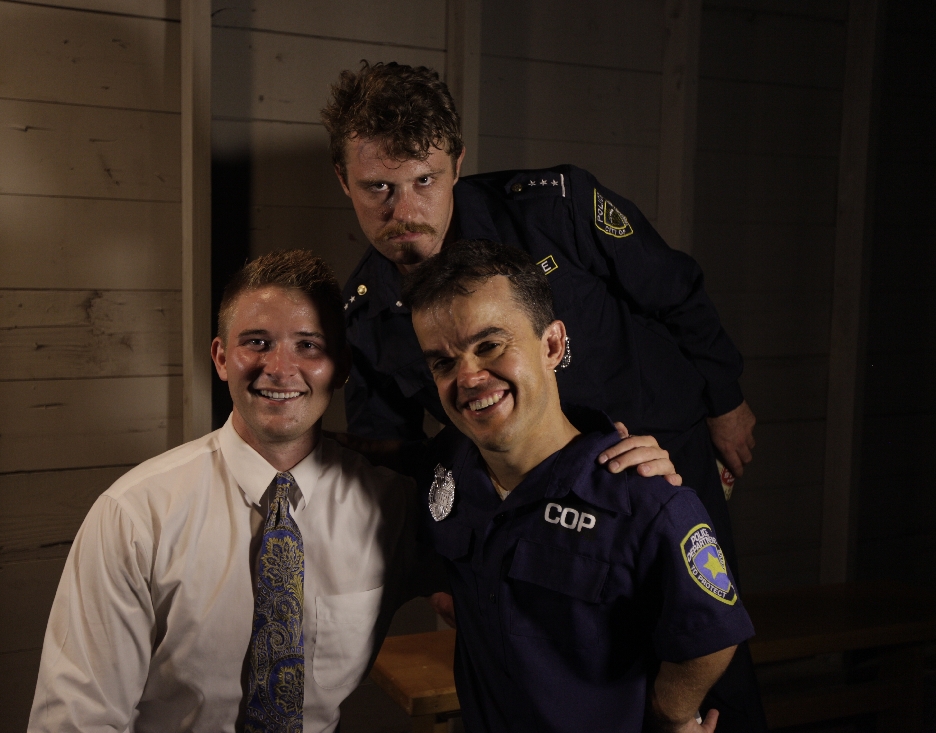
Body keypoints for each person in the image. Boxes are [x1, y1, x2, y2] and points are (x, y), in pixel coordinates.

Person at [26, 249, 672, 732]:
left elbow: (536, 579)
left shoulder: (396, 504)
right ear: (221, 357)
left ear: (339, 368)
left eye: (308, 346)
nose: (281, 368)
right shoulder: (134, 515)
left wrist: (602, 463)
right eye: (257, 343)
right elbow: (76, 719)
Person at [322, 61, 765, 730]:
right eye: (377, 187)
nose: (404, 211)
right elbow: (395, 455)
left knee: (709, 671)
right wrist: (448, 557)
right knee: (558, 678)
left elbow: (674, 290)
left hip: (656, 460)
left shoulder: (554, 206)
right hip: (527, 509)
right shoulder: (365, 314)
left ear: (457, 163)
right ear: (344, 180)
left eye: (424, 181)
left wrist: (725, 402)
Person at [406, 239, 755, 733]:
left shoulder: (645, 497)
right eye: (443, 363)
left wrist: (672, 714)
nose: (468, 377)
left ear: (552, 345)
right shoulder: (447, 466)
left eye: (489, 346)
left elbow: (713, 635)